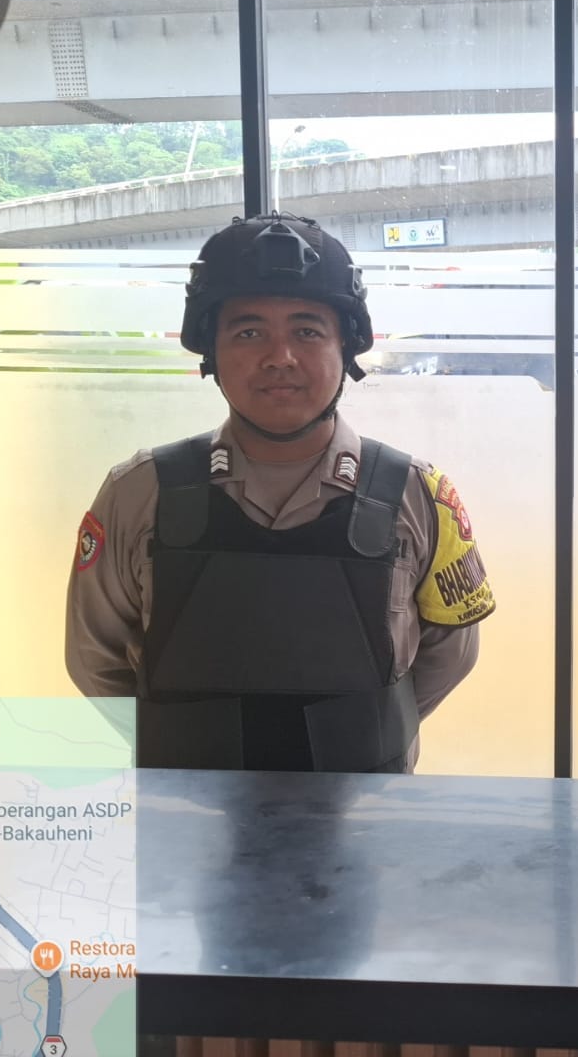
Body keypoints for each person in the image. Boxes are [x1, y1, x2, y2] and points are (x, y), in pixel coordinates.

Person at [66, 212, 494, 773]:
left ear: (347, 346)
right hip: (188, 812)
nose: (280, 357)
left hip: (366, 809)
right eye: (248, 333)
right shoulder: (139, 492)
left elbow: (452, 653)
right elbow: (93, 657)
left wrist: (367, 730)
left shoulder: (416, 494)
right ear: (210, 350)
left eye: (307, 331)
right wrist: (180, 741)